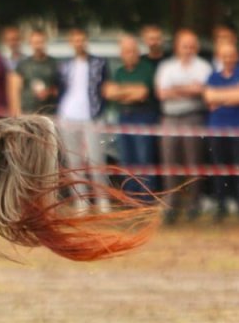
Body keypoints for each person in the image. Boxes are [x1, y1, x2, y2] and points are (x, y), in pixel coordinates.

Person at [156, 29, 213, 223]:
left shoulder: (204, 67)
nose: (188, 49)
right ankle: (171, 204)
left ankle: (194, 203)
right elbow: (162, 94)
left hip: (193, 118)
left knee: (193, 162)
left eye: (191, 46)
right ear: (177, 47)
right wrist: (190, 89)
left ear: (195, 47)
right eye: (184, 46)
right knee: (169, 162)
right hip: (170, 118)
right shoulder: (167, 67)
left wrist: (176, 89)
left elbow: (203, 91)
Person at [56, 28, 111, 211]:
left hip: (92, 114)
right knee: (73, 161)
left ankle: (102, 198)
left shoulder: (99, 63)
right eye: (75, 40)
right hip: (68, 115)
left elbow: (105, 88)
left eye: (81, 39)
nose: (78, 43)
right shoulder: (65, 65)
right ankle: (80, 199)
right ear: (71, 42)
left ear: (85, 41)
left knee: (96, 159)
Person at [203, 41, 239, 221]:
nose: (228, 59)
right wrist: (233, 95)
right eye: (224, 55)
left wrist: (220, 98)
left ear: (236, 56)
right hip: (217, 129)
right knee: (219, 169)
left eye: (231, 55)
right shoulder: (212, 76)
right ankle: (221, 205)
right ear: (220, 57)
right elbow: (209, 97)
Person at [103, 35, 159, 199]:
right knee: (126, 159)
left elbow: (142, 93)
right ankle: (130, 197)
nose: (130, 54)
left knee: (143, 159)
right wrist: (130, 91)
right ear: (121, 53)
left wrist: (121, 92)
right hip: (123, 117)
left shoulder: (147, 68)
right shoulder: (119, 71)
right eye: (126, 51)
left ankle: (146, 198)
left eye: (133, 51)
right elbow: (109, 92)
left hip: (143, 117)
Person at [11, 28, 59, 116]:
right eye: (35, 42)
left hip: (49, 113)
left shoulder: (54, 63)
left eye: (40, 42)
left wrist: (48, 92)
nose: (38, 46)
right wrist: (16, 112)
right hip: (28, 113)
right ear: (30, 43)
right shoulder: (23, 64)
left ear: (45, 42)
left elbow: (60, 90)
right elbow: (15, 90)